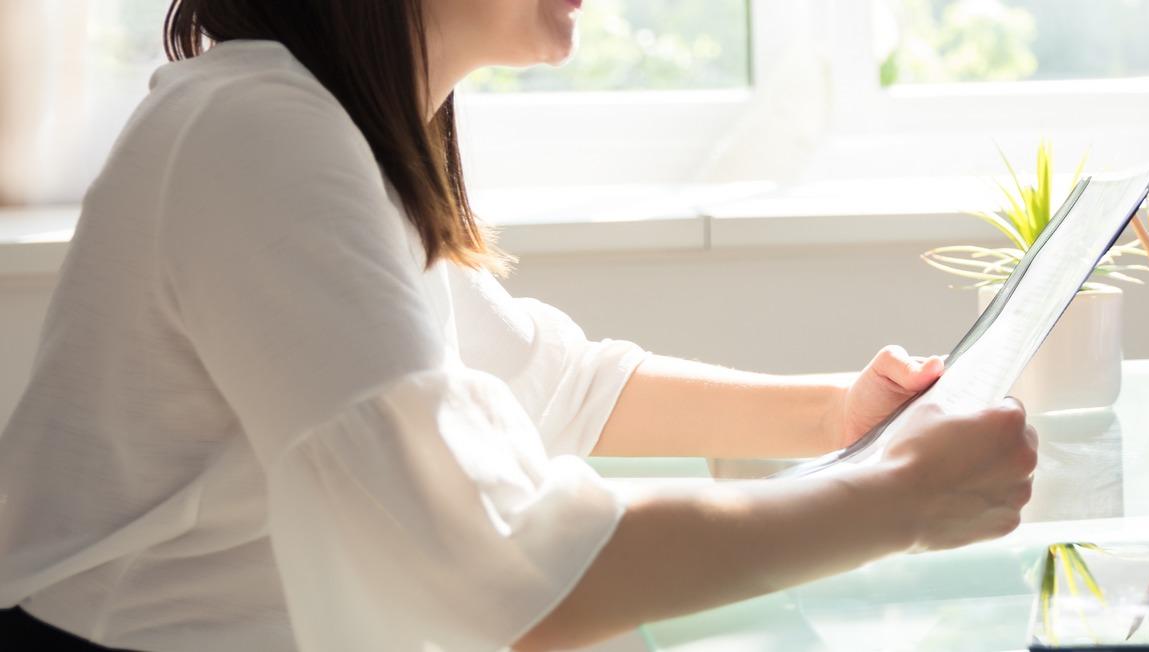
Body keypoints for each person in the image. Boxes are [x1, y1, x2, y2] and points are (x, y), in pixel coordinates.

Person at [0, 0, 1038, 649]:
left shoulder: (318, 123)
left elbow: (548, 379)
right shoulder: (257, 138)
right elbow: (501, 571)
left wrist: (838, 414)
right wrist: (902, 499)